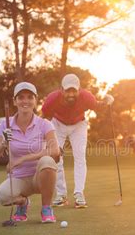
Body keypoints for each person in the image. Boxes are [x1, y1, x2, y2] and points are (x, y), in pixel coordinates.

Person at [0, 82, 61, 223]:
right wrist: (4, 143)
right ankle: (23, 203)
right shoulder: (4, 124)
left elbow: (55, 150)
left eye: (30, 97)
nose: (25, 101)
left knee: (47, 161)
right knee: (2, 196)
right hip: (19, 178)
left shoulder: (44, 124)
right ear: (15, 101)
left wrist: (23, 159)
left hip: (39, 177)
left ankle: (46, 208)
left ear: (35, 100)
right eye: (21, 97)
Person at [42, 73, 114, 208]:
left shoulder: (86, 97)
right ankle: (61, 194)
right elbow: (45, 115)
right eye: (67, 90)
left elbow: (97, 106)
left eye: (74, 91)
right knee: (56, 157)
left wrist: (107, 102)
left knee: (80, 157)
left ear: (79, 90)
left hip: (78, 125)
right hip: (58, 124)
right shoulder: (52, 99)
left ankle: (79, 193)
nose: (71, 94)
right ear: (61, 90)